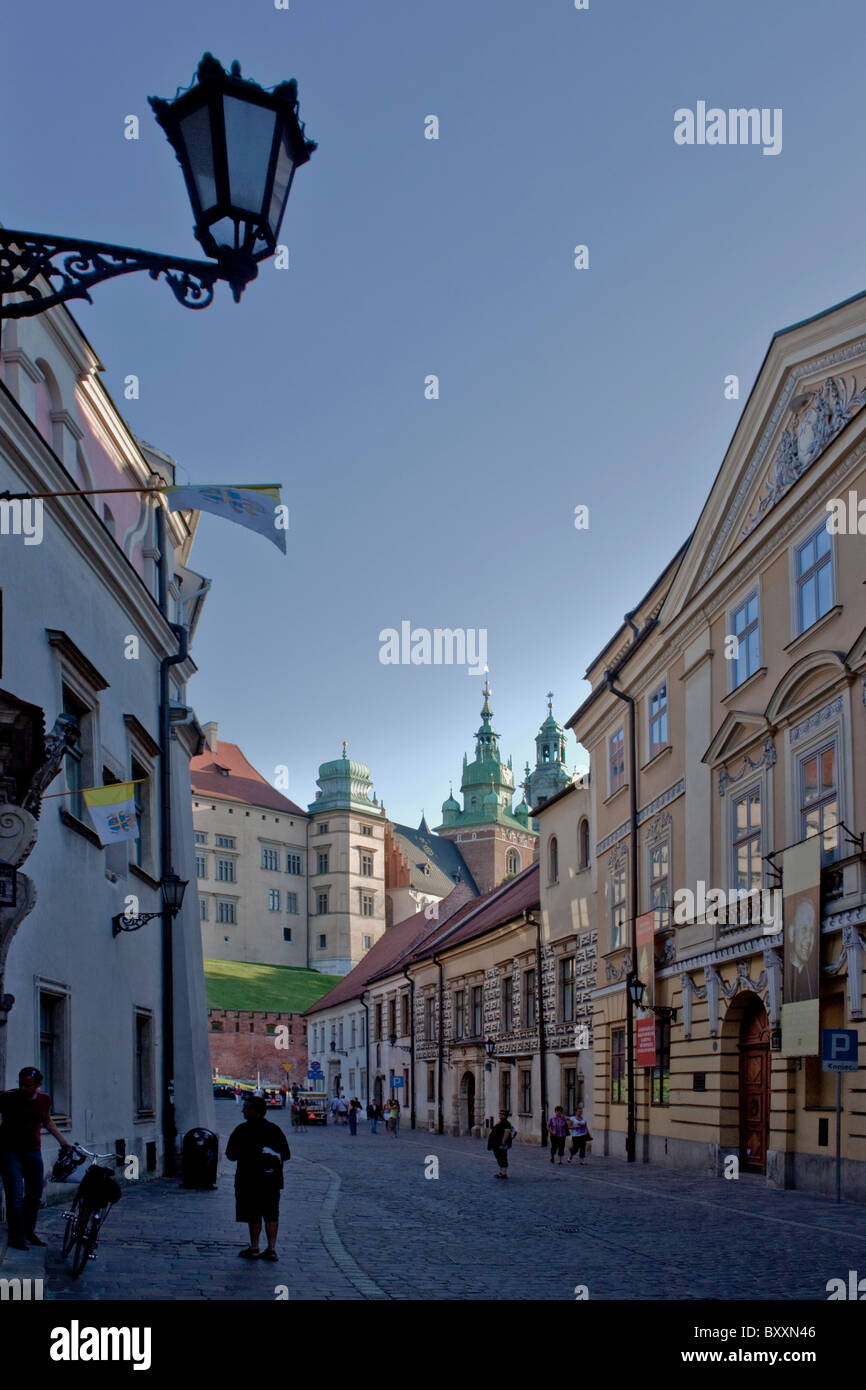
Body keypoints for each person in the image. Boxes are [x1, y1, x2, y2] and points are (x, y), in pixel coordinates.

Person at [0, 1066, 74, 1250]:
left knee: (34, 1196)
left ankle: (28, 1231)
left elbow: (47, 1121)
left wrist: (64, 1142)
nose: (24, 1088)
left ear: (38, 1085)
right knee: (15, 1197)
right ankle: (17, 1237)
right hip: (11, 1152)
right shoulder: (8, 1097)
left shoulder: (44, 1100)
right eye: (21, 1084)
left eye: (28, 1085)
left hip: (33, 1151)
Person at [225, 1094, 291, 1262]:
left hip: (248, 1179)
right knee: (271, 1213)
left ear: (254, 1110)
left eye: (246, 1107)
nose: (243, 1111)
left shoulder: (241, 1130)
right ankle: (271, 1248)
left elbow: (230, 1155)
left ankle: (254, 1247)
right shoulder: (274, 1129)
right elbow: (286, 1154)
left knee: (252, 1213)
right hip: (271, 1179)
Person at [487, 1110, 515, 1180]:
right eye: (499, 1114)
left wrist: (503, 1142)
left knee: (502, 1157)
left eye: (502, 1114)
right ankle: (501, 1172)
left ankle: (503, 1173)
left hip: (500, 1144)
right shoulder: (501, 1122)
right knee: (499, 1157)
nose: (500, 1115)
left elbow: (507, 1132)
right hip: (496, 1144)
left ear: (505, 1115)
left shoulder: (506, 1123)